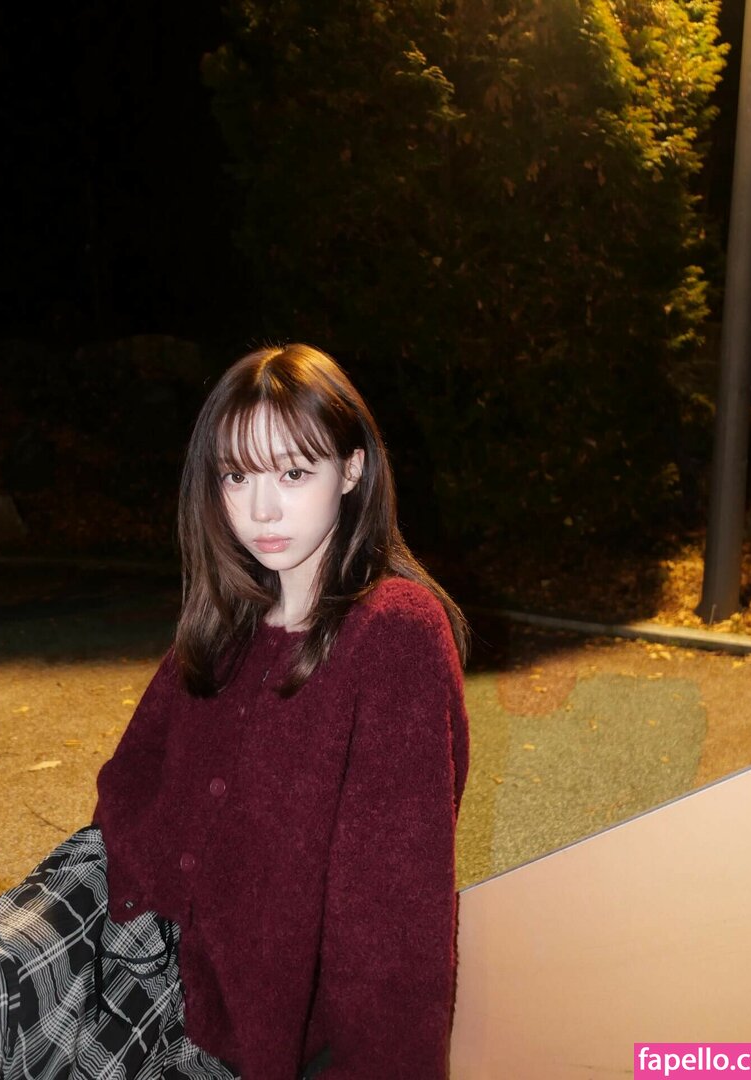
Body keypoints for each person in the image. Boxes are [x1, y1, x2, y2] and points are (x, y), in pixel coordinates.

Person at [92, 344, 471, 1078]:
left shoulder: (393, 633)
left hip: (284, 1046)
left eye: (293, 473)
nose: (261, 509)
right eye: (237, 476)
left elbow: (393, 918)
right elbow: (131, 774)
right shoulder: (229, 619)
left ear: (352, 470)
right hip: (165, 995)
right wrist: (169, 895)